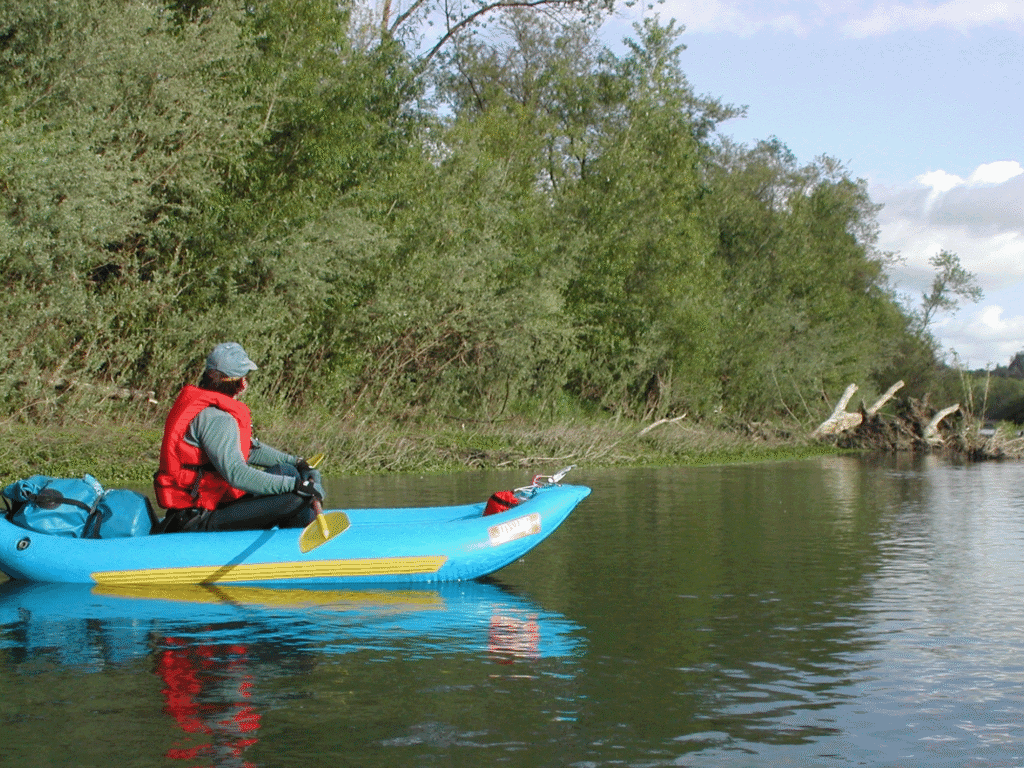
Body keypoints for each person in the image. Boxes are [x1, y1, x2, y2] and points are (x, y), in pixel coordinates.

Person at [153, 342, 323, 533]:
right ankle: (296, 548)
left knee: (287, 469)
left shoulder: (206, 408)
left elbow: (248, 450)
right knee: (298, 497)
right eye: (244, 377)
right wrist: (298, 486)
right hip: (197, 519)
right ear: (239, 384)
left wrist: (298, 462)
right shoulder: (217, 419)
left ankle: (295, 535)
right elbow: (236, 474)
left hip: (208, 504)